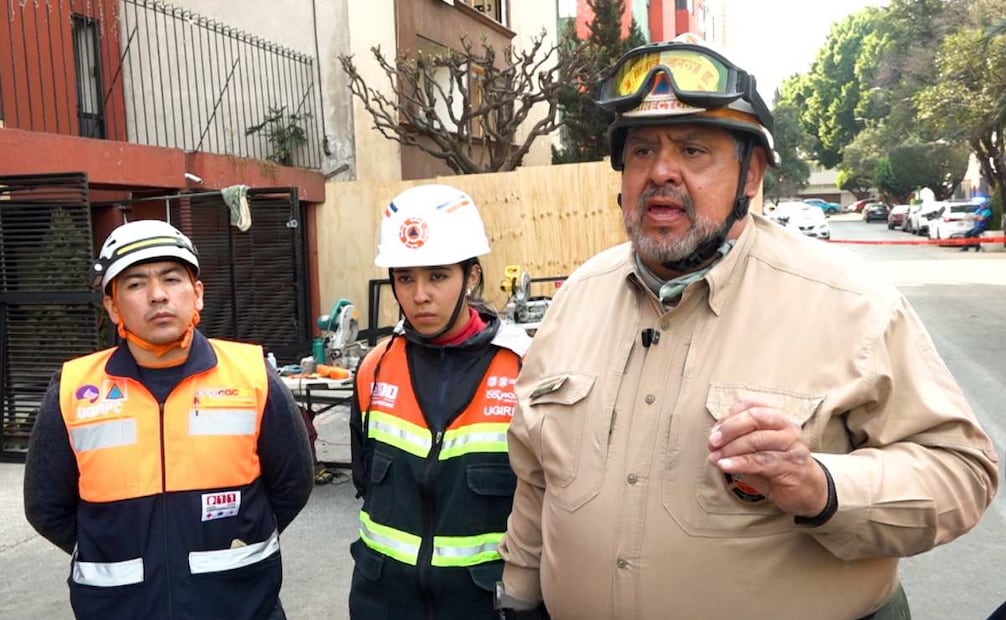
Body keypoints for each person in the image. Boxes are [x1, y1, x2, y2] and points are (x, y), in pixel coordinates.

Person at [496, 35, 1000, 619]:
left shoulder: (851, 304)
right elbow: (535, 479)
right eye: (641, 151)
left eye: (692, 151)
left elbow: (961, 472)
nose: (661, 171)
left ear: (751, 173)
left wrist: (821, 486)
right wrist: (519, 594)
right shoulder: (576, 298)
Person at [23, 219, 314, 620]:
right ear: (112, 305)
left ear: (197, 295)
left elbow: (293, 484)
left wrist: (239, 537)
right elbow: (46, 508)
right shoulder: (73, 389)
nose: (157, 295)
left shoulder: (252, 376)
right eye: (136, 284)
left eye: (172, 279)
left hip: (238, 604)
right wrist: (112, 545)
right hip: (119, 607)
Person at [348, 184, 532, 619]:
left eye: (437, 275)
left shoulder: (523, 367)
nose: (420, 295)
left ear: (471, 276)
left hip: (486, 604)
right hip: (385, 602)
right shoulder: (374, 369)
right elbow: (364, 485)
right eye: (405, 278)